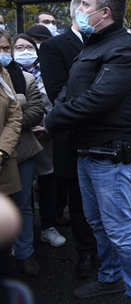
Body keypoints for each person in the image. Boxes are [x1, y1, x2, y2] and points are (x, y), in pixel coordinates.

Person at [45, 0, 131, 303]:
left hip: (111, 155)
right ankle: (110, 278)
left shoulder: (124, 49)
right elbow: (69, 90)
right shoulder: (91, 46)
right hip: (87, 152)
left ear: (104, 12)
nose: (80, 9)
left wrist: (51, 120)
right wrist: (59, 112)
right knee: (98, 224)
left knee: (119, 229)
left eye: (86, 5)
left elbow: (96, 99)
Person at [39, 0, 97, 279]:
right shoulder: (54, 47)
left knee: (107, 201)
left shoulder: (105, 42)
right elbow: (58, 93)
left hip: (107, 139)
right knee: (79, 201)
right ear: (77, 13)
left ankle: (112, 251)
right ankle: (86, 252)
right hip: (73, 139)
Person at [17, 31, 68, 250]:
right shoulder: (9, 74)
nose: (24, 52)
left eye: (28, 47)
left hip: (47, 137)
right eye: (18, 48)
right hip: (21, 140)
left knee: (48, 181)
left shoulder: (48, 71)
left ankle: (48, 226)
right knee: (23, 189)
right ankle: (22, 233)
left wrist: (48, 126)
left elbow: (58, 100)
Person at [0, 32, 42, 277]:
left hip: (20, 151)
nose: (3, 52)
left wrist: (8, 136)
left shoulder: (20, 77)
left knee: (23, 204)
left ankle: (24, 252)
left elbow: (32, 111)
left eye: (6, 47)